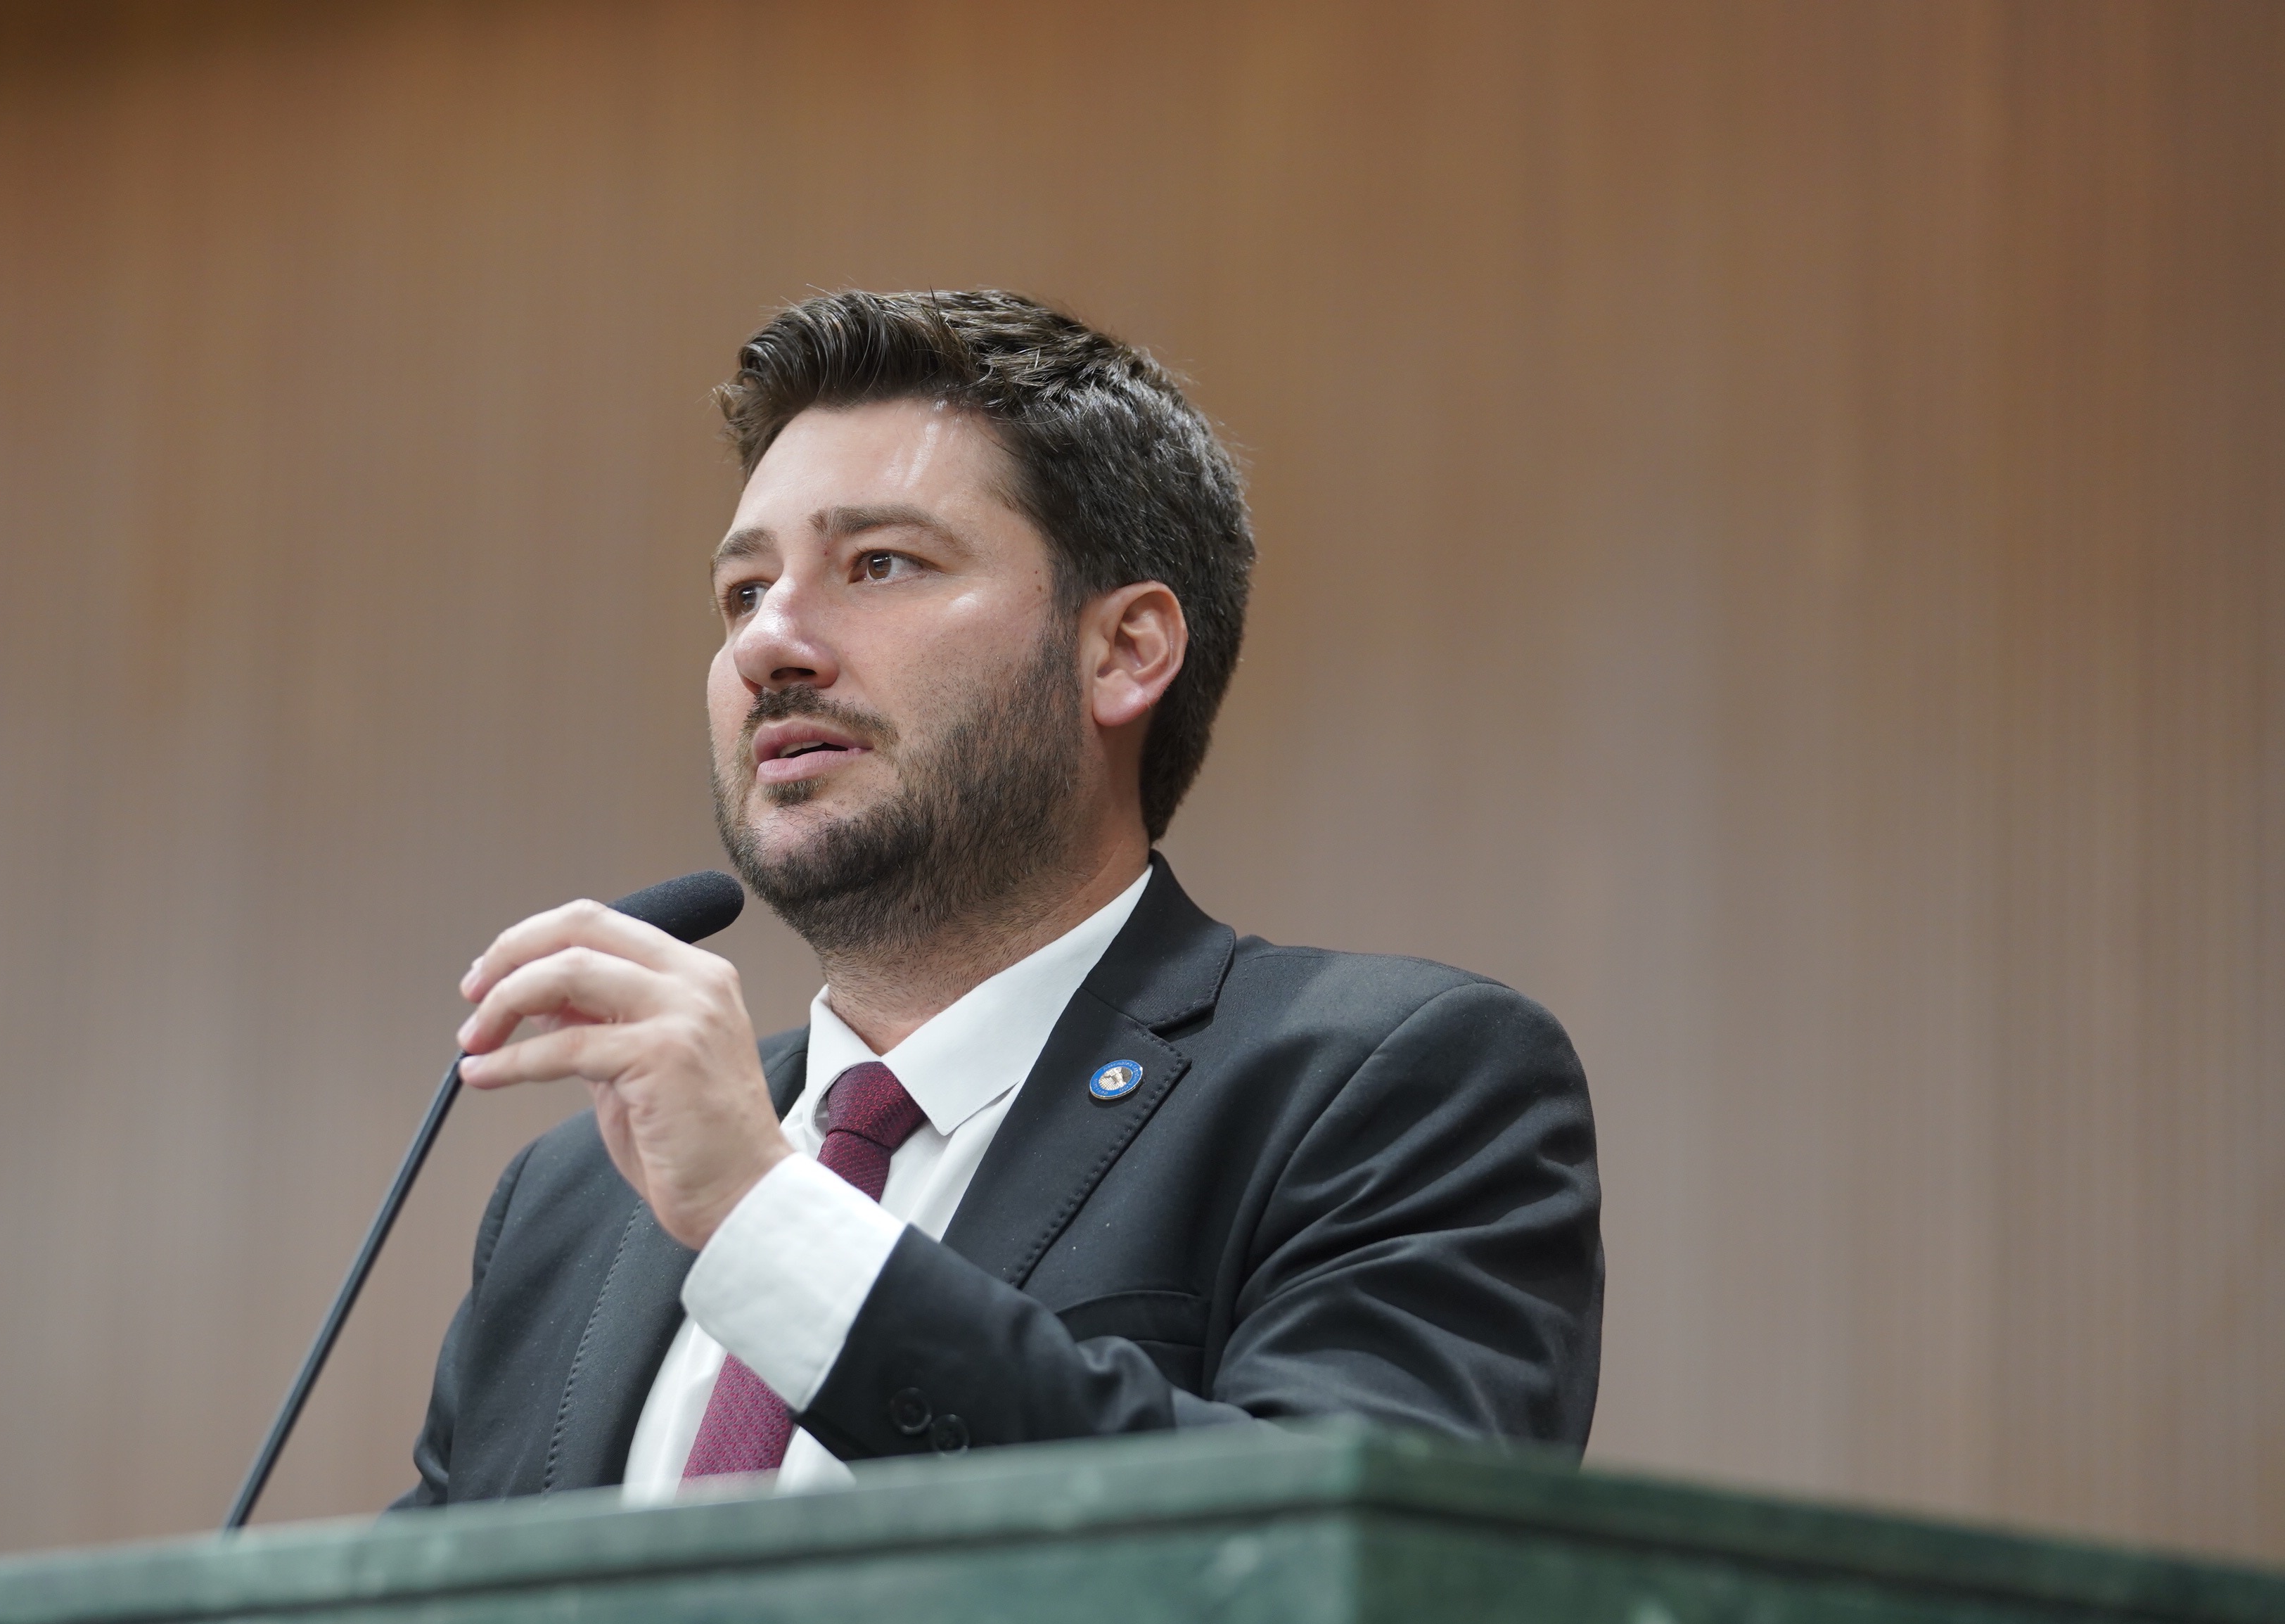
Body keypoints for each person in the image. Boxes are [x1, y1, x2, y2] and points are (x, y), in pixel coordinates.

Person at [396, 290, 1600, 1508]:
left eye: (880, 563)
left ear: (1124, 650)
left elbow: (1349, 1553)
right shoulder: (574, 1200)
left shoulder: (1388, 1086)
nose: (769, 644)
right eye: (745, 591)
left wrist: (769, 1226)